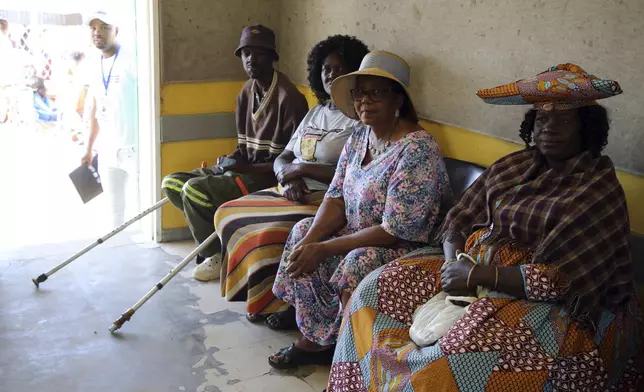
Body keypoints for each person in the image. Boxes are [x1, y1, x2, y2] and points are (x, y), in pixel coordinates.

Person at [327, 64, 643, 391]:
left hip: (545, 298)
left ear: (587, 129)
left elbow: (565, 281)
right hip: (471, 268)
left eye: (563, 120)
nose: (549, 128)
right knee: (373, 289)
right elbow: (458, 220)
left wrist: (481, 277)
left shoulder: (597, 190)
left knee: (456, 354)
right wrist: (454, 265)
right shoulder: (513, 166)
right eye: (542, 119)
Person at [267, 51, 454, 369]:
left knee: (357, 261)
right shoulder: (358, 138)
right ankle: (319, 336)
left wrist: (324, 247)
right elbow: (336, 197)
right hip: (359, 233)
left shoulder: (418, 150)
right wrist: (311, 240)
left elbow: (396, 230)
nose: (365, 100)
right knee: (301, 232)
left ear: (398, 100)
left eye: (377, 92)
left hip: (406, 247)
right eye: (359, 92)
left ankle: (344, 352)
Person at [213, 35, 369, 325]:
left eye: (338, 68)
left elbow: (351, 174)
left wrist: (302, 171)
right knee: (228, 212)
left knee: (262, 232)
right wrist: (287, 177)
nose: (331, 74)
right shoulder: (317, 112)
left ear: (354, 73)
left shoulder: (360, 118)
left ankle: (279, 304)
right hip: (292, 189)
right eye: (325, 68)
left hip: (327, 198)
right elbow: (284, 156)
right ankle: (260, 293)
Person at [162, 25, 309, 282]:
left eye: (258, 53)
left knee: (194, 191)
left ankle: (217, 255)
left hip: (268, 178)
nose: (251, 59)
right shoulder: (245, 92)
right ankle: (222, 242)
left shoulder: (290, 98)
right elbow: (243, 148)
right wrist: (231, 160)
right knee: (173, 183)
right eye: (245, 54)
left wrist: (244, 169)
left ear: (273, 56)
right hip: (246, 169)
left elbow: (291, 161)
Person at [80, 11, 138, 229]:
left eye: (104, 27)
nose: (98, 33)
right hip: (107, 149)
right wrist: (89, 149)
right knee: (115, 213)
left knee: (142, 210)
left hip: (134, 148)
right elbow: (95, 108)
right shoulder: (92, 64)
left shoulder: (132, 60)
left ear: (116, 31)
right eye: (93, 28)